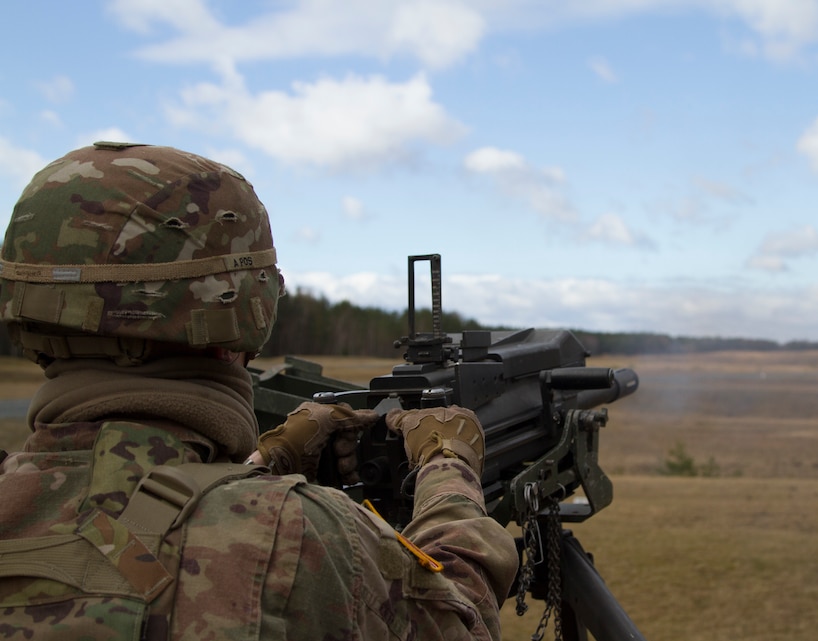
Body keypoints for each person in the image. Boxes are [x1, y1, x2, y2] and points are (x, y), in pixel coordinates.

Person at [0, 142, 518, 640]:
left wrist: (265, 461)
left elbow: (126, 525)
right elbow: (461, 625)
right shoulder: (306, 536)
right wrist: (448, 471)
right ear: (243, 314)